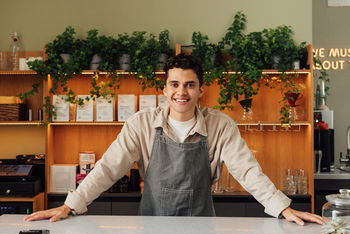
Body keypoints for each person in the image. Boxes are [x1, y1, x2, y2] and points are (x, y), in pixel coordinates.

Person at [25, 54, 322, 225]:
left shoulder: (220, 125)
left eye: (190, 85)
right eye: (175, 84)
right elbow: (108, 168)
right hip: (152, 225)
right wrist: (71, 204)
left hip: (203, 226)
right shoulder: (140, 124)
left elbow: (247, 170)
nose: (182, 92)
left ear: (200, 90)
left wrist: (282, 207)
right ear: (165, 89)